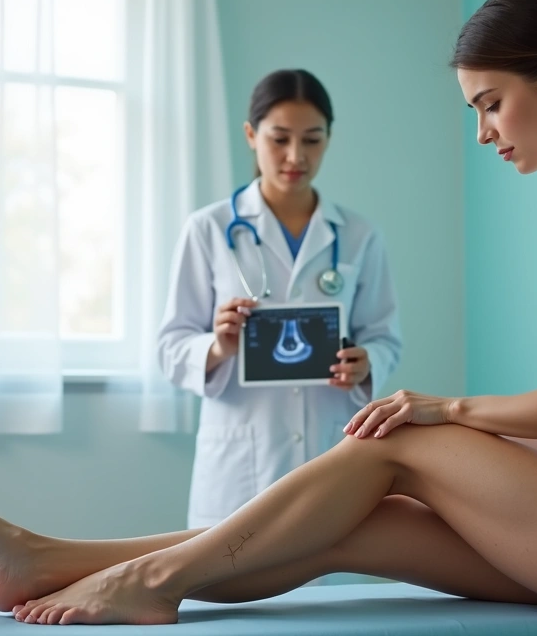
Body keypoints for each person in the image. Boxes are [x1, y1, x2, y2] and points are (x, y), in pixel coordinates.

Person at [0, 0, 537, 628]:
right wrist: (451, 457)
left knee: (391, 437)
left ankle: (153, 580)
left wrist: (440, 414)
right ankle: (35, 557)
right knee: (352, 522)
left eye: (489, 105)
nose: (483, 132)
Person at [155, 68, 402, 529]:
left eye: (312, 140)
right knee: (226, 588)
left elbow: (385, 336)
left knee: (327, 586)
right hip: (239, 462)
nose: (295, 156)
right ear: (251, 135)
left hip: (329, 448)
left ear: (329, 138)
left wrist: (366, 363)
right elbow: (171, 346)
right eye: (279, 139)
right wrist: (217, 345)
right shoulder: (209, 230)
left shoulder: (358, 236)